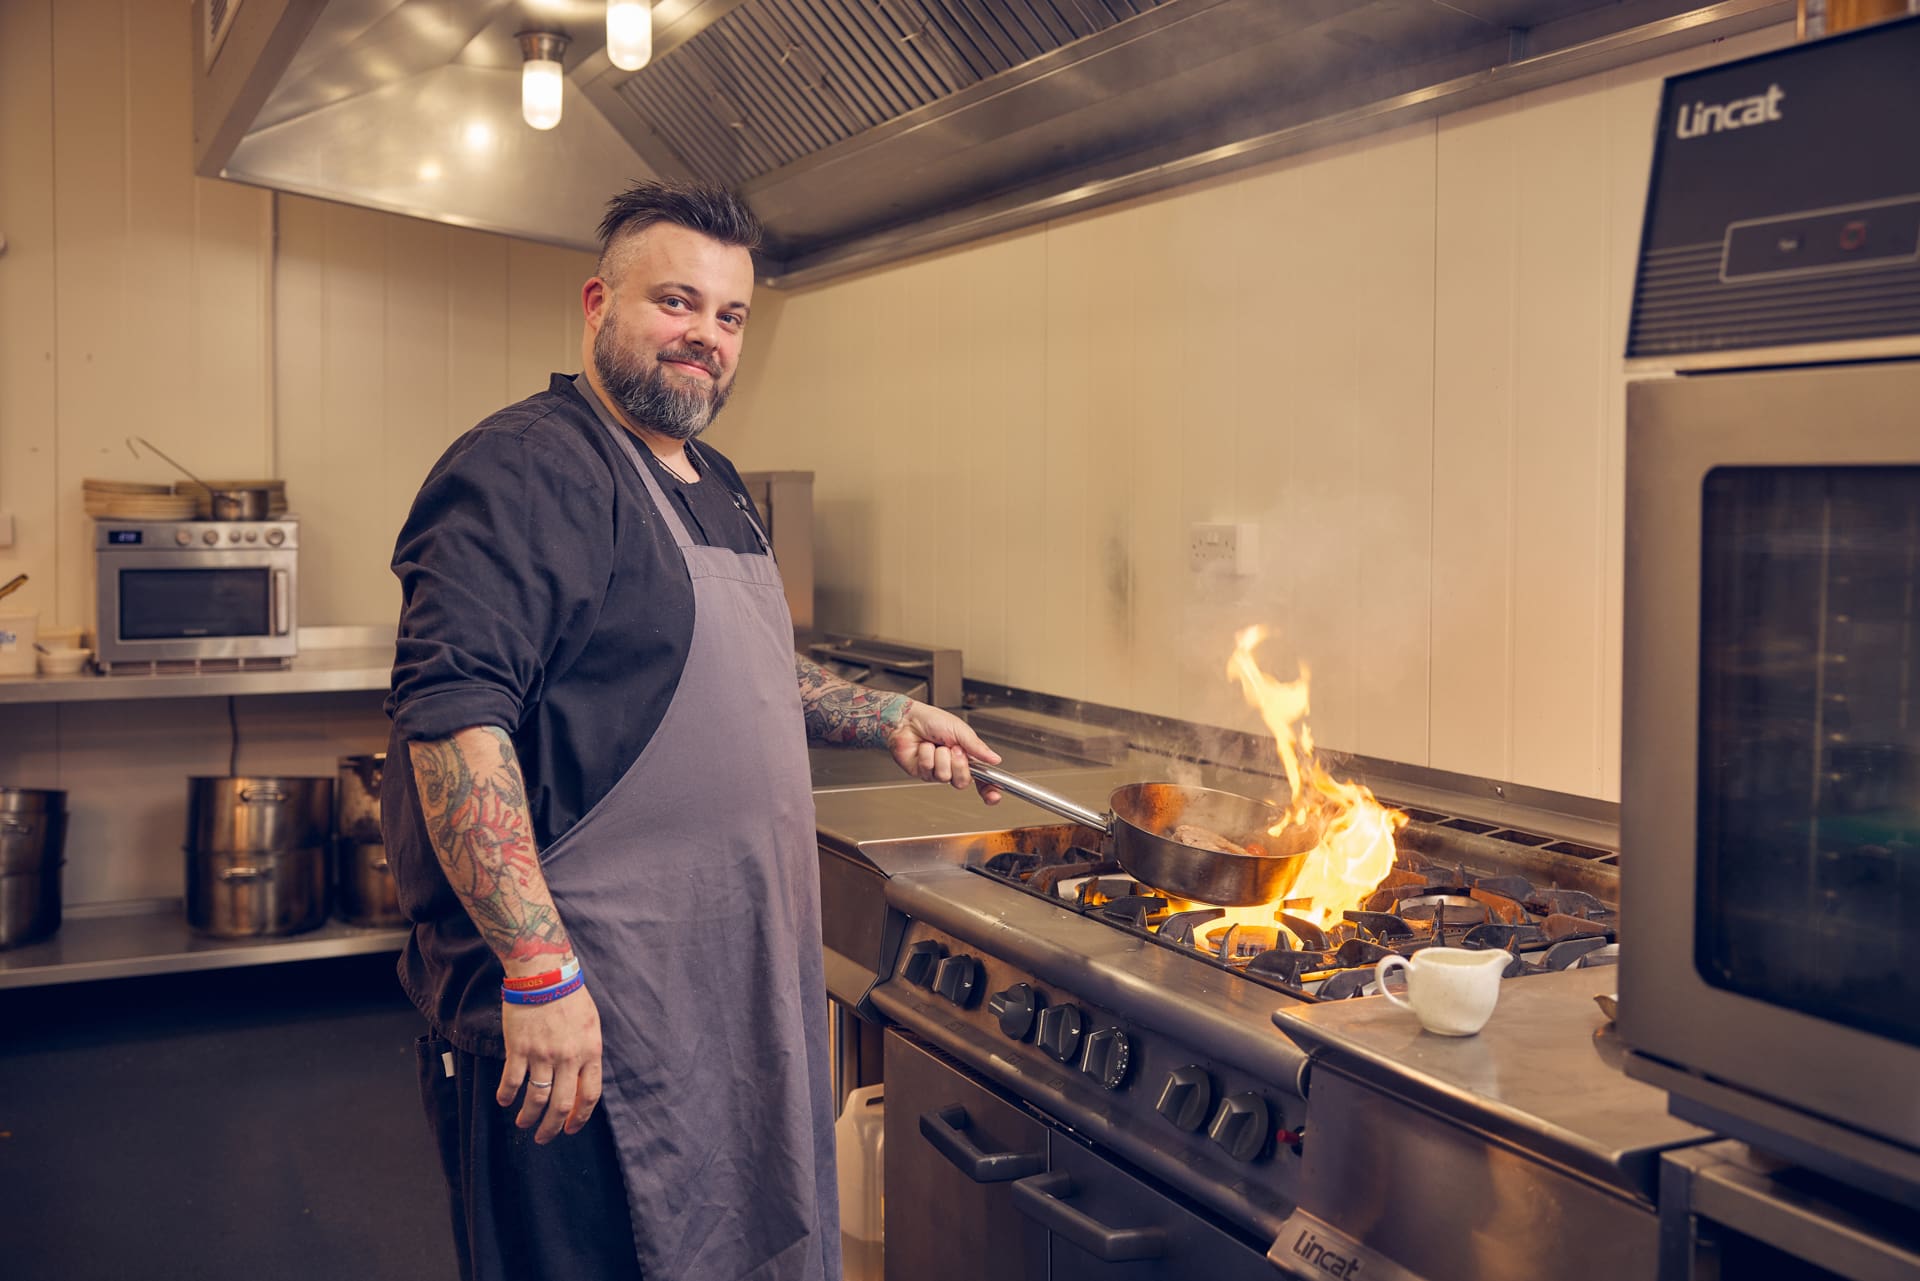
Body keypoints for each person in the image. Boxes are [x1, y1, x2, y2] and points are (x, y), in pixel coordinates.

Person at [380, 179, 1001, 1281]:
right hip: (577, 1022)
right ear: (596, 304)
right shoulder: (525, 468)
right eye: (676, 302)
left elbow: (740, 662)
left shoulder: (709, 478)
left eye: (729, 316)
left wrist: (887, 714)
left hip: (717, 991)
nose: (705, 338)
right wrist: (537, 972)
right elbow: (454, 721)